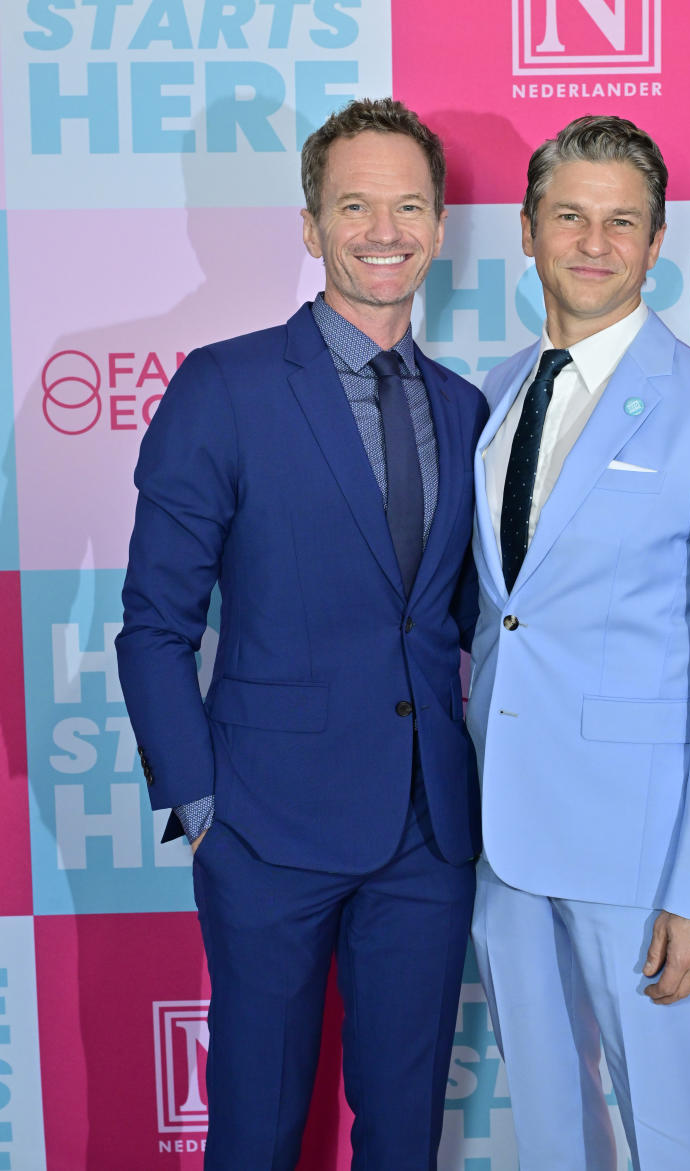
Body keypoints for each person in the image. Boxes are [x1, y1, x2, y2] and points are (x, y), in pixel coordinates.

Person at [116, 98, 487, 1170]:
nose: (385, 228)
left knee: (405, 1126)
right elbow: (153, 624)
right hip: (266, 830)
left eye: (409, 204)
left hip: (428, 830)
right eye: (356, 204)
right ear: (312, 224)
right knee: (259, 1122)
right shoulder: (223, 387)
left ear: (440, 220)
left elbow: (468, 618)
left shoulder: (466, 409)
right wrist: (201, 807)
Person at [466, 114, 690, 1171]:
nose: (593, 242)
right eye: (569, 216)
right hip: (501, 835)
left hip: (641, 853)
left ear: (656, 244)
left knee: (675, 1126)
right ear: (526, 230)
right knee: (550, 1125)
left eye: (622, 222)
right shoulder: (501, 392)